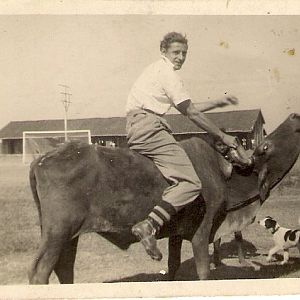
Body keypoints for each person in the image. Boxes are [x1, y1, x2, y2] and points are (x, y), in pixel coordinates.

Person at [125, 32, 240, 261]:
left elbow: (188, 107)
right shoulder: (167, 73)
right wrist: (223, 137)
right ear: (164, 51)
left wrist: (217, 102)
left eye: (184, 53)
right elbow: (190, 112)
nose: (180, 57)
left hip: (140, 123)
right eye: (176, 52)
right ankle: (149, 225)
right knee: (191, 182)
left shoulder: (157, 70)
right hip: (149, 126)